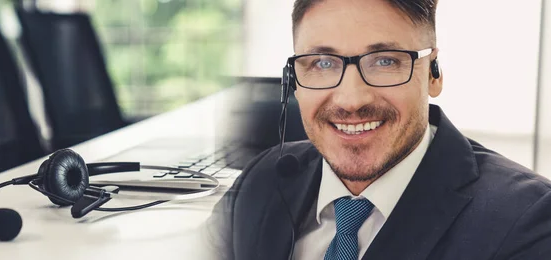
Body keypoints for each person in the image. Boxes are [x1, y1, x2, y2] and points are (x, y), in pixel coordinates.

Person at [205, 0, 551, 259]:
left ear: (434, 72)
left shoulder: (529, 220)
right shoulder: (262, 181)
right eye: (322, 63)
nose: (352, 99)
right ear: (293, 80)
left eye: (385, 61)